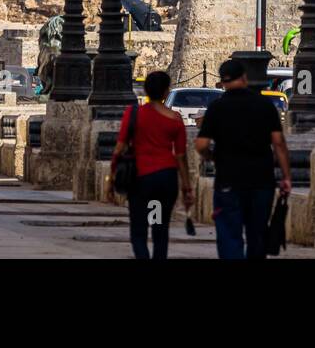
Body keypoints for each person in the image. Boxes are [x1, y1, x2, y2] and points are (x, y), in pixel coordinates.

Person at [195, 59, 292, 259]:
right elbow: (278, 143)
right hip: (261, 180)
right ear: (245, 77)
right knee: (257, 235)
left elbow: (202, 145)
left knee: (230, 235)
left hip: (228, 180)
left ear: (222, 82)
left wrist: (213, 158)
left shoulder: (217, 108)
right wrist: (287, 176)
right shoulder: (265, 106)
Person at [110, 70, 193, 260]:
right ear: (166, 93)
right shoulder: (175, 119)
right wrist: (187, 186)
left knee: (139, 230)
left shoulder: (133, 113)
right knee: (159, 228)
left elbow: (120, 147)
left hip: (141, 180)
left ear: (146, 90)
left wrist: (111, 177)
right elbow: (181, 156)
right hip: (165, 180)